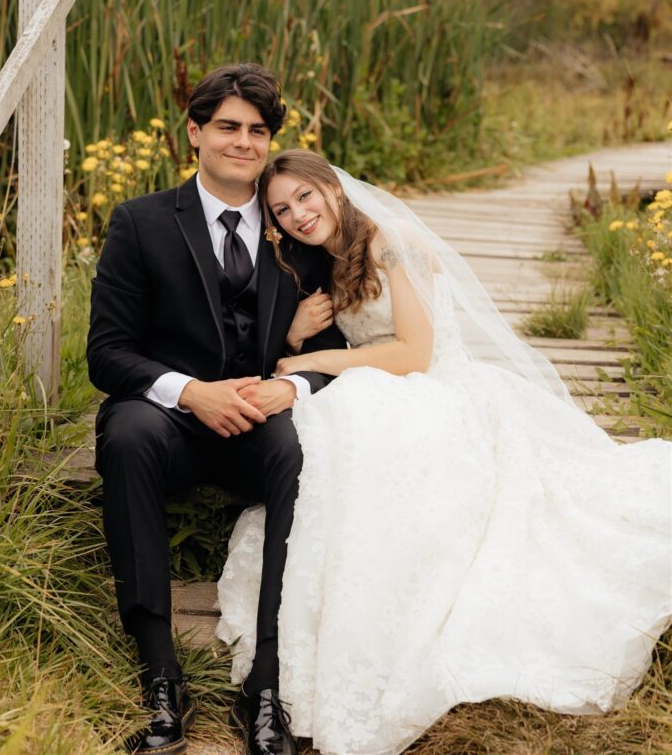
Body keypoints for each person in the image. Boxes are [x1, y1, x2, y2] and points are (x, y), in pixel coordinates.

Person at [216, 149, 672, 755]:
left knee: (374, 429)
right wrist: (297, 332)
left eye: (306, 196)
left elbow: (415, 353)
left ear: (333, 188)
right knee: (340, 430)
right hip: (381, 385)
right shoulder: (322, 261)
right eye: (282, 210)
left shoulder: (391, 241)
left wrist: (312, 355)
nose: (298, 214)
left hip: (436, 386)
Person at [87, 65, 346, 755]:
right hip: (169, 422)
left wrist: (290, 386)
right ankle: (160, 675)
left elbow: (335, 351)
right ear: (195, 133)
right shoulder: (140, 222)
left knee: (298, 450)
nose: (243, 142)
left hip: (260, 420)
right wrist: (189, 391)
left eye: (257, 131)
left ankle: (266, 682)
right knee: (127, 433)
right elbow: (106, 354)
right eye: (228, 126)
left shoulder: (297, 228)